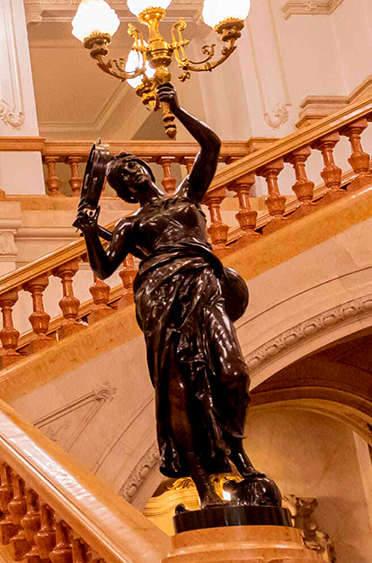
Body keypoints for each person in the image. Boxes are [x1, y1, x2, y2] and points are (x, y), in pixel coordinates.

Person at [73, 81, 279, 510]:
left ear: (145, 169)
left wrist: (177, 109)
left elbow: (211, 145)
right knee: (177, 389)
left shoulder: (186, 196)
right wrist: (91, 228)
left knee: (233, 372)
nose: (129, 170)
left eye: (131, 164)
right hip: (158, 293)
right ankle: (204, 485)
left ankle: (234, 449)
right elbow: (103, 268)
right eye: (121, 173)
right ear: (124, 191)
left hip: (203, 282)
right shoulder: (130, 225)